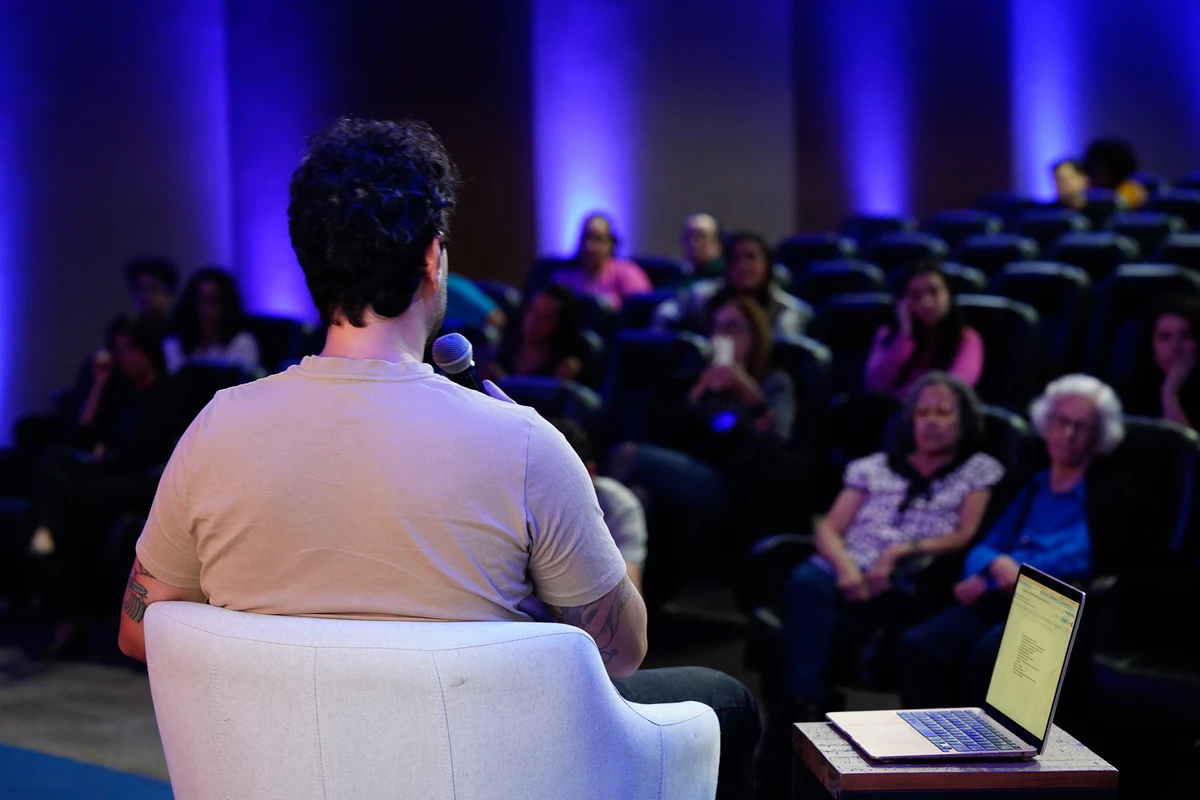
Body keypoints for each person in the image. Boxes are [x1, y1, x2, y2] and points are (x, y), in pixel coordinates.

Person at [116, 117, 760, 799]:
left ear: (310, 264)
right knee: (728, 702)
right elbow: (620, 653)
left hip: (281, 776)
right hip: (484, 772)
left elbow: (140, 628)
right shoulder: (522, 444)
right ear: (432, 257)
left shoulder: (216, 428)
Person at [896, 375, 1137, 710]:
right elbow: (983, 545)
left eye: (1081, 426)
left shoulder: (1109, 495)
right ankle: (931, 752)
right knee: (919, 646)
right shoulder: (1026, 481)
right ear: (1045, 424)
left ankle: (995, 758)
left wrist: (1012, 572)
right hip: (998, 593)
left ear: (1099, 434)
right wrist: (994, 566)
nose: (1068, 434)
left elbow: (1082, 556)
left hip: (1052, 606)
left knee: (989, 656)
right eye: (1060, 422)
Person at [782, 373, 1002, 719]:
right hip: (849, 567)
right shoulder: (873, 467)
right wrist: (846, 568)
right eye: (922, 412)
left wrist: (899, 551)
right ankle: (807, 702)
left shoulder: (978, 471)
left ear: (964, 422)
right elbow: (829, 527)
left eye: (943, 412)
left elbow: (964, 533)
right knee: (806, 580)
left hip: (912, 572)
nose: (931, 421)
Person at [29, 314, 186, 655]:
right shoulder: (119, 390)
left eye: (131, 350)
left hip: (145, 480)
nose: (126, 359)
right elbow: (82, 432)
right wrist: (100, 381)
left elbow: (155, 449)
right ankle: (47, 533)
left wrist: (111, 454)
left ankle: (67, 600)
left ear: (147, 350)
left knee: (82, 499)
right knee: (53, 458)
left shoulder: (168, 392)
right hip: (106, 474)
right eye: (119, 351)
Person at [551, 418, 647, 592]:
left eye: (563, 477)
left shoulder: (619, 505)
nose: (552, 490)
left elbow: (628, 590)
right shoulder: (508, 498)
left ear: (590, 472)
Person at [864, 260, 984, 399]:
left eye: (934, 292)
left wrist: (901, 394)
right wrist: (904, 335)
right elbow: (874, 385)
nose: (926, 302)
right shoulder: (886, 334)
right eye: (915, 295)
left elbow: (956, 389)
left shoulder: (968, 338)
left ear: (948, 295)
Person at [655, 231, 810, 337]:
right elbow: (666, 313)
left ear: (767, 265)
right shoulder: (702, 297)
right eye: (735, 259)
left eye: (751, 257)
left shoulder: (788, 310)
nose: (743, 266)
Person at [1118, 296, 1200, 431]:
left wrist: (1170, 394)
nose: (1176, 346)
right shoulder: (1128, 393)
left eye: (1186, 335)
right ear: (1151, 345)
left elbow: (1183, 451)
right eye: (1165, 337)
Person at [162, 267, 261, 375]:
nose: (207, 309)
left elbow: (246, 384)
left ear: (227, 304)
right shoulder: (174, 344)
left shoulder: (243, 342)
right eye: (202, 300)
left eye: (214, 301)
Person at [549, 213, 652, 310]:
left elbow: (642, 312)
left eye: (598, 239)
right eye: (585, 238)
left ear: (610, 243)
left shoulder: (628, 273)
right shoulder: (563, 278)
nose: (590, 246)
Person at [484, 283, 585, 382]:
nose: (534, 322)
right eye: (532, 312)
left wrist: (506, 382)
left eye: (545, 318)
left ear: (561, 325)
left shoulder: (565, 366)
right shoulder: (507, 345)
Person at [1082, 137, 1147, 210]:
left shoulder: (1130, 189)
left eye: (1105, 170)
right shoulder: (1089, 188)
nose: (1100, 173)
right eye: (1096, 170)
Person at [678, 212, 725, 285]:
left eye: (701, 236)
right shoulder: (678, 276)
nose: (694, 243)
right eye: (688, 236)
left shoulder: (729, 277)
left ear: (717, 241)